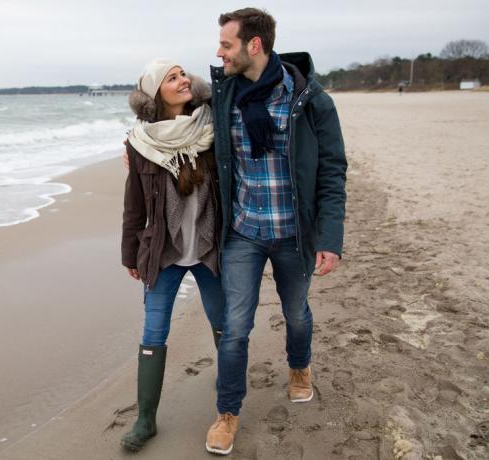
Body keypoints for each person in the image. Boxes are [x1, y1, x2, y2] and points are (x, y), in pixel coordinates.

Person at [204, 8, 347, 455]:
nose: (219, 52)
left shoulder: (311, 99)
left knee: (297, 314)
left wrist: (329, 238)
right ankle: (228, 412)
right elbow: (175, 119)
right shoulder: (223, 96)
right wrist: (137, 145)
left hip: (294, 234)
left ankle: (299, 368)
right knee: (235, 326)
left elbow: (332, 171)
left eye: (226, 44)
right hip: (243, 233)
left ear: (254, 45)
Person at [120, 59, 225, 452]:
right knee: (153, 332)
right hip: (163, 252)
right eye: (172, 77)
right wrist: (130, 254)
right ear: (154, 93)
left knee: (223, 324)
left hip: (209, 248)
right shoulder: (140, 143)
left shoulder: (213, 128)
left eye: (183, 74)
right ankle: (146, 418)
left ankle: (227, 388)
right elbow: (134, 205)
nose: (183, 80)